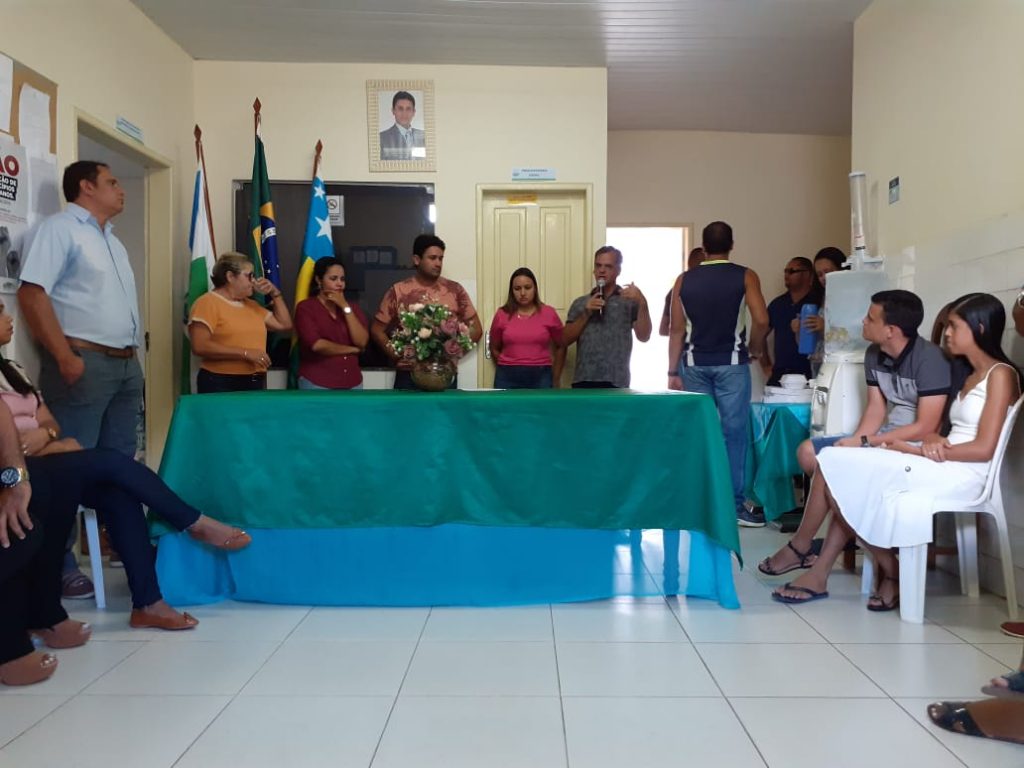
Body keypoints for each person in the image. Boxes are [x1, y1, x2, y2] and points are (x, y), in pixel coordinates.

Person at [0, 298, 251, 629]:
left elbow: (49, 422)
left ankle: (148, 603)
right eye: (0, 312)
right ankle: (192, 521)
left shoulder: (13, 370)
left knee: (118, 491)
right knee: (110, 462)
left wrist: (48, 437)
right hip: (15, 473)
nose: (9, 317)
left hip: (48, 461)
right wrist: (46, 449)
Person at [775, 293, 1014, 608]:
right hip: (941, 462)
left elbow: (984, 449)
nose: (946, 333)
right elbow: (944, 429)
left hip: (964, 474)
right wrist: (932, 440)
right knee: (836, 465)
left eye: (954, 327)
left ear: (980, 328)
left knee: (837, 469)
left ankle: (839, 565)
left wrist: (916, 450)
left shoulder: (1001, 375)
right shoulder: (967, 373)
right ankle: (865, 570)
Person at [17, 160, 144, 599]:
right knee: (66, 466)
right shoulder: (60, 230)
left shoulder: (112, 240)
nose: (121, 189)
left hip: (125, 364)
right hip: (83, 362)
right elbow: (32, 293)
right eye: (112, 182)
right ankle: (60, 565)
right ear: (86, 187)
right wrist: (63, 356)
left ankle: (125, 546)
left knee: (120, 465)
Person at [764, 289, 949, 581]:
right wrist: (856, 442)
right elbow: (876, 409)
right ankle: (841, 529)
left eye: (870, 318)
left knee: (834, 468)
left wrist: (864, 442)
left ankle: (803, 547)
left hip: (909, 446)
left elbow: (926, 426)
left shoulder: (930, 359)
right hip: (883, 439)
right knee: (809, 452)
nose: (863, 321)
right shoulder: (874, 354)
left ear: (891, 330)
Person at [668, 221, 769, 527]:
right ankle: (733, 507)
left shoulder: (683, 280)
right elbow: (761, 320)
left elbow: (675, 329)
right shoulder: (745, 275)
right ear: (731, 244)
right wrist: (755, 347)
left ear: (704, 246)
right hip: (731, 364)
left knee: (700, 432)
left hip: (694, 364)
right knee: (733, 434)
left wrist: (672, 370)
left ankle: (699, 503)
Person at [371, 234, 482, 390]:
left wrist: (453, 353)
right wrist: (396, 354)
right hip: (408, 373)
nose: (438, 263)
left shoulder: (455, 290)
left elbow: (476, 329)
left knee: (445, 408)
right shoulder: (399, 290)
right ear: (417, 259)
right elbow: (377, 330)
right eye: (432, 258)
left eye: (441, 258)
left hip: (443, 372)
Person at [188, 252, 293, 393]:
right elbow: (200, 346)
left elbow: (284, 324)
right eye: (249, 276)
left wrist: (275, 294)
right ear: (230, 276)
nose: (254, 281)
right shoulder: (207, 303)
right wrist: (245, 353)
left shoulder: (252, 305)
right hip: (220, 380)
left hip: (254, 378)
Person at [563, 246, 652, 388]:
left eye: (608, 266)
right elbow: (564, 340)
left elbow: (644, 336)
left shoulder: (629, 302)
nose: (602, 270)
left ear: (618, 270)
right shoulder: (580, 303)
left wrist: (642, 303)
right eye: (598, 266)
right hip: (584, 379)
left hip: (617, 380)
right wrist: (586, 313)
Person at [294, 257, 369, 390]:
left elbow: (362, 342)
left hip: (353, 382)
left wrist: (345, 307)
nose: (339, 284)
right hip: (318, 382)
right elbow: (317, 345)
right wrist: (352, 350)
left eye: (342, 279)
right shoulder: (306, 308)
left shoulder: (352, 308)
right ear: (319, 280)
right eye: (333, 279)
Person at [488, 267, 565, 388]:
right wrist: (508, 363)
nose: (523, 293)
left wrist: (556, 377)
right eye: (517, 288)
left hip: (541, 375)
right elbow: (494, 347)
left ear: (535, 289)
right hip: (507, 376)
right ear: (512, 291)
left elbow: (562, 345)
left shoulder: (548, 313)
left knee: (542, 402)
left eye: (527, 288)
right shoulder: (502, 314)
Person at [761, 256, 817, 385]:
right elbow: (761, 335)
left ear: (807, 274)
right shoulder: (777, 304)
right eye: (785, 271)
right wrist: (766, 365)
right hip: (781, 375)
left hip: (810, 374)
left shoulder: (817, 302)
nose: (786, 275)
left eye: (792, 271)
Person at [794, 247, 847, 377]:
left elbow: (854, 338)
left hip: (842, 367)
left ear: (841, 269)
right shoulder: (818, 299)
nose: (823, 278)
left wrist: (824, 327)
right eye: (819, 274)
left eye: (828, 272)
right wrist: (800, 330)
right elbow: (806, 344)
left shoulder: (850, 299)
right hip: (818, 364)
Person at [659, 247, 705, 337]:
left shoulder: (675, 290)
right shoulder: (676, 291)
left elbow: (663, 329)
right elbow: (663, 329)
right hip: (687, 344)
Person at [379, 90, 426, 161]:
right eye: (400, 108)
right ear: (393, 111)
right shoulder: (381, 138)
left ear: (414, 112)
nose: (404, 113)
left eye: (408, 109)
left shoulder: (425, 137)